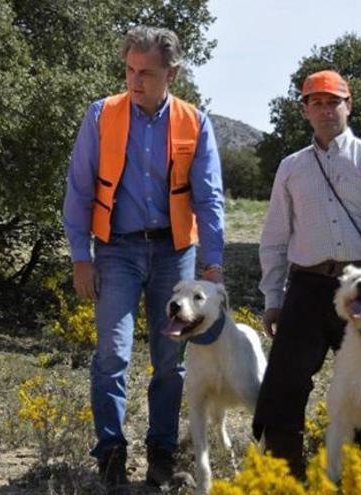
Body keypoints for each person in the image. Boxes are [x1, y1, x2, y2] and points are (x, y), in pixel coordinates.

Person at [62, 25, 225, 494]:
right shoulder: (101, 115)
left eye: (147, 73)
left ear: (171, 73)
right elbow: (78, 189)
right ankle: (111, 456)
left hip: (176, 254)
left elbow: (210, 199)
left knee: (170, 360)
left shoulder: (195, 122)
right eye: (130, 71)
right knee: (113, 354)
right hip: (116, 251)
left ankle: (161, 455)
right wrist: (81, 257)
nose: (135, 81)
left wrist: (211, 267)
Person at [252, 69, 361, 479]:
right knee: (285, 381)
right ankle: (287, 475)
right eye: (316, 102)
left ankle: (354, 473)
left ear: (348, 105)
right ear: (304, 110)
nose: (325, 110)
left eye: (333, 101)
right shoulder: (290, 168)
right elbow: (274, 237)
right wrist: (273, 298)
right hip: (306, 286)